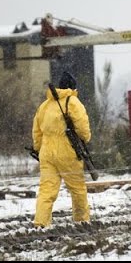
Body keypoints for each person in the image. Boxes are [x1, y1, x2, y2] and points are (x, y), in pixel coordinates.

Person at [32, 71, 91, 227]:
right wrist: (85, 140)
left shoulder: (44, 106)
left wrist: (39, 149)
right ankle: (81, 221)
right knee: (77, 189)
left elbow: (36, 132)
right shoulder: (73, 102)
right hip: (68, 151)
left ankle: (40, 223)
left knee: (46, 190)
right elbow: (83, 128)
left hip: (46, 152)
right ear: (72, 87)